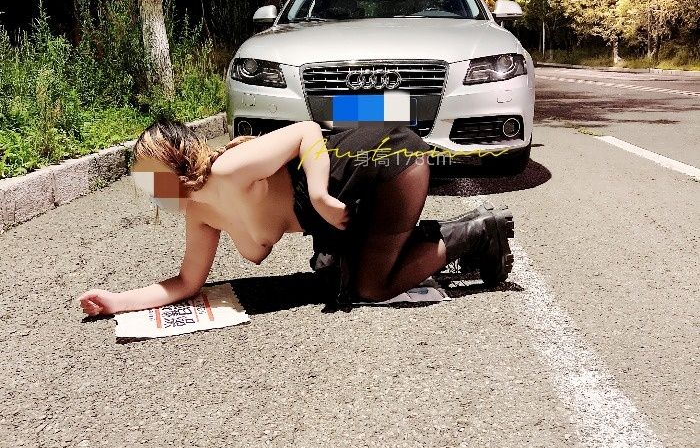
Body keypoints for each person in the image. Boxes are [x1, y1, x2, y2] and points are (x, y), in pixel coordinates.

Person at [77, 117, 515, 316]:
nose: (150, 195)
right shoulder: (200, 216)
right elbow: (186, 283)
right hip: (352, 202)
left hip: (385, 163)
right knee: (338, 274)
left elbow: (307, 132)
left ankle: (478, 233)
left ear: (173, 166)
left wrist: (319, 195)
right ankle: (448, 237)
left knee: (371, 287)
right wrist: (117, 301)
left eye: (150, 180)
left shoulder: (229, 170)